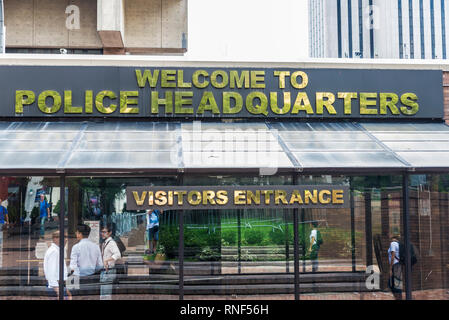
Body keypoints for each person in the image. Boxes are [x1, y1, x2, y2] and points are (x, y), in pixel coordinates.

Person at [43, 231, 72, 300]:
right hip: (56, 287)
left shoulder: (57, 250)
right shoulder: (54, 251)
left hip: (58, 286)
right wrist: (58, 292)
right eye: (64, 237)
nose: (66, 239)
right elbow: (51, 273)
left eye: (66, 237)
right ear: (55, 239)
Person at [100, 224, 121, 299]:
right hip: (105, 270)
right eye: (101, 232)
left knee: (106, 295)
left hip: (109, 270)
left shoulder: (111, 243)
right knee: (103, 295)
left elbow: (118, 254)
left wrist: (107, 260)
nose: (102, 234)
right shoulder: (105, 242)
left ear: (109, 233)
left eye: (104, 232)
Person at [388, 234, 403, 299]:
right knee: (396, 282)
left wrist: (390, 268)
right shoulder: (397, 244)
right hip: (398, 264)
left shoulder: (393, 243)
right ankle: (398, 297)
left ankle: (398, 297)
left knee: (396, 283)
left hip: (395, 265)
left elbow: (393, 256)